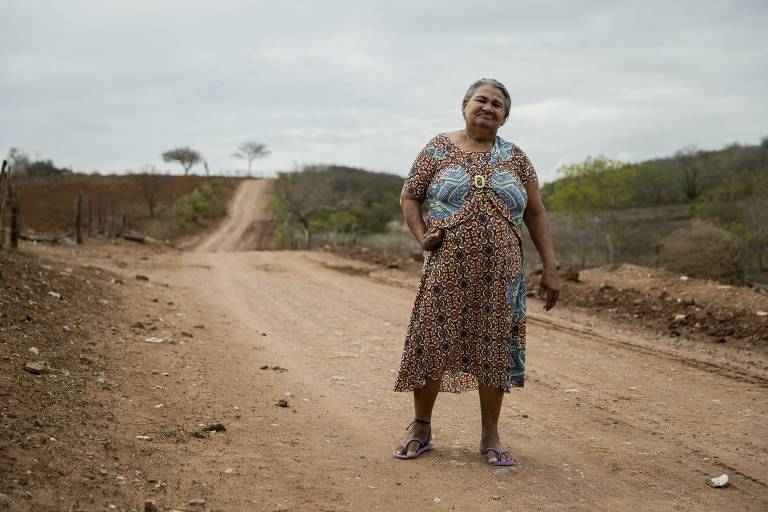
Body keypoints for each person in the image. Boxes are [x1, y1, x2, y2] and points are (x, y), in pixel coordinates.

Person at [393, 78, 559, 465]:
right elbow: (410, 196)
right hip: (445, 271)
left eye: (497, 104)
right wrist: (421, 235)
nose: (488, 107)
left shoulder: (516, 157)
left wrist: (550, 267)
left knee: (495, 347)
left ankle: (490, 434)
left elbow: (536, 212)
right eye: (481, 100)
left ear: (505, 117)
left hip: (502, 276)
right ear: (464, 106)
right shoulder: (437, 148)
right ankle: (421, 426)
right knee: (432, 341)